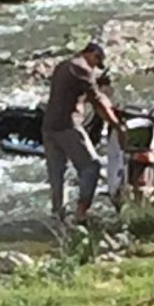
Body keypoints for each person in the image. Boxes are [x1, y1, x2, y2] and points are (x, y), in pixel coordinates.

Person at [42, 42, 125, 223]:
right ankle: (81, 212)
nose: (95, 67)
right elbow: (97, 102)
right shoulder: (82, 69)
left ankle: (58, 217)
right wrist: (117, 125)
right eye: (96, 62)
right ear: (92, 53)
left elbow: (82, 94)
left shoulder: (63, 66)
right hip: (67, 126)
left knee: (57, 175)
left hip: (48, 126)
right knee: (91, 167)